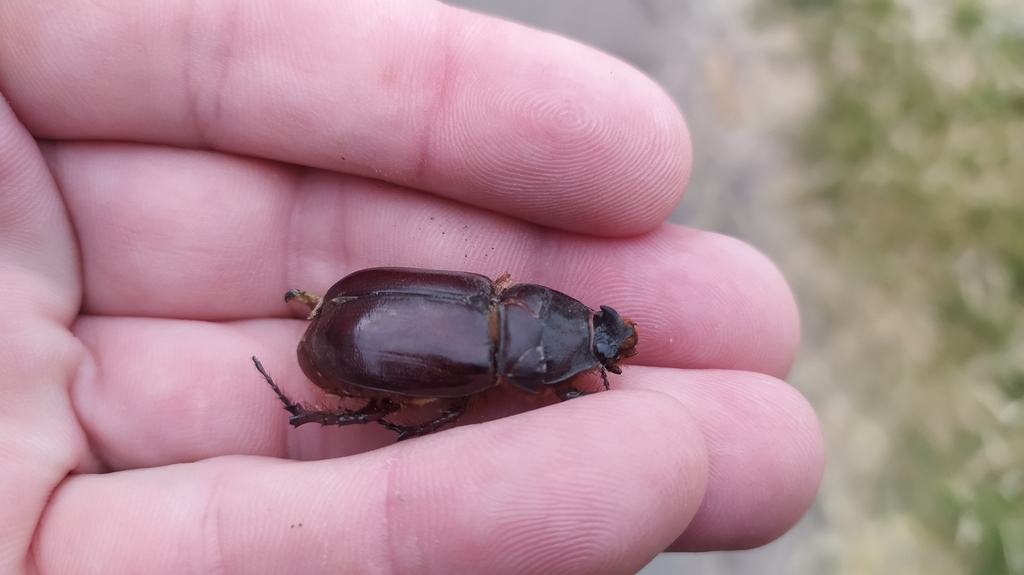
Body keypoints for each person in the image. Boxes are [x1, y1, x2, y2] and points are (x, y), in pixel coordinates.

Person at [0, 1, 825, 573]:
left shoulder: (490, 292)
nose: (588, 338)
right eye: (585, 337)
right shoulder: (483, 375)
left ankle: (319, 345)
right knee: (414, 415)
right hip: (349, 333)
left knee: (400, 406)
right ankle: (323, 364)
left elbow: (383, 297)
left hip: (355, 319)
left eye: (586, 342)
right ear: (541, 316)